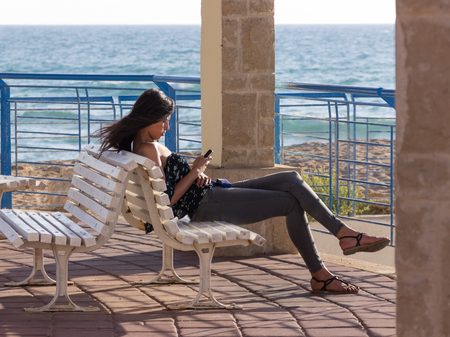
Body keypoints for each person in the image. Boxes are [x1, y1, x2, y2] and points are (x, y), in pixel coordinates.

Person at [98, 88, 390, 294]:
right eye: (164, 120)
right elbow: (169, 202)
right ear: (150, 117)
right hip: (207, 205)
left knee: (290, 177)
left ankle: (343, 237)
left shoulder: (142, 145)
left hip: (210, 194)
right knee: (290, 202)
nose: (167, 126)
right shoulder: (147, 149)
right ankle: (325, 268)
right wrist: (196, 172)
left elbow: (170, 188)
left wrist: (196, 176)